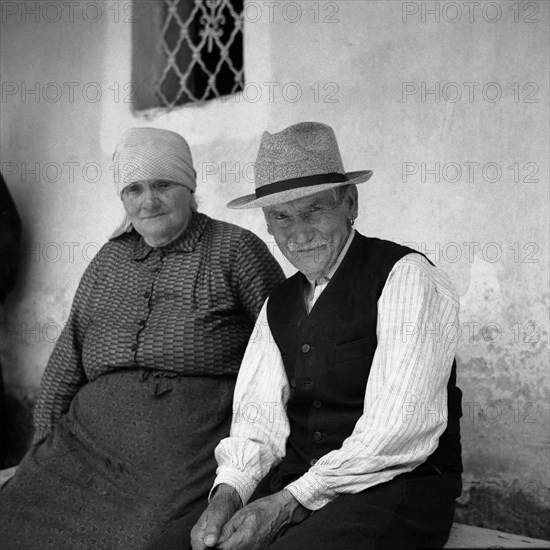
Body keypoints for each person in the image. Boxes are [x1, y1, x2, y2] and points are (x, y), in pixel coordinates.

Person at [152, 121, 463, 550]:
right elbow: (257, 421)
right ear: (268, 224)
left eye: (314, 209)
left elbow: (399, 431)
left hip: (395, 489)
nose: (298, 233)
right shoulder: (278, 302)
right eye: (281, 216)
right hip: (298, 484)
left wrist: (287, 503)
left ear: (350, 203)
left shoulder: (406, 277)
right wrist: (228, 495)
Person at [0, 127, 285, 550]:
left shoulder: (235, 250)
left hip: (184, 449)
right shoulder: (109, 259)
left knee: (144, 538)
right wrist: (40, 450)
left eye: (162, 185)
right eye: (134, 189)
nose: (148, 201)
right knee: (13, 516)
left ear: (189, 187)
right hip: (84, 443)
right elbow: (68, 358)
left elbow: (289, 342)